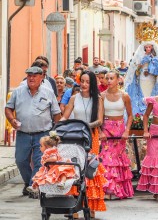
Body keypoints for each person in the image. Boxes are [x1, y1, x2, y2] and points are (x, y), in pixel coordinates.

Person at [5, 66, 61, 198]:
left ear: (41, 77)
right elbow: (8, 108)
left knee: (38, 161)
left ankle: (33, 186)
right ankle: (29, 182)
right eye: (29, 75)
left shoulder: (48, 92)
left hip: (42, 134)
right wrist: (12, 119)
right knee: (20, 160)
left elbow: (57, 114)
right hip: (23, 133)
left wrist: (54, 131)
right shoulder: (18, 92)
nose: (31, 78)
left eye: (35, 75)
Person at [61, 71, 107, 217]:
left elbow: (99, 120)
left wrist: (85, 125)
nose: (84, 84)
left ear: (92, 83)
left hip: (91, 136)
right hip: (75, 136)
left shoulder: (97, 99)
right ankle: (74, 206)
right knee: (75, 168)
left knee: (90, 169)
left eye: (87, 82)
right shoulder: (74, 98)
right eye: (82, 81)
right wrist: (58, 128)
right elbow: (65, 117)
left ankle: (91, 205)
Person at [99, 70, 134, 200]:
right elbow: (99, 115)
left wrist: (127, 130)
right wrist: (101, 130)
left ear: (118, 80)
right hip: (106, 128)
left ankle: (118, 189)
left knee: (118, 159)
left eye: (111, 78)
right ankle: (108, 189)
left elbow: (130, 115)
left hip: (120, 129)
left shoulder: (124, 96)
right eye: (107, 78)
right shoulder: (101, 96)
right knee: (107, 158)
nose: (108, 81)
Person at [125, 41, 158, 115]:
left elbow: (157, 70)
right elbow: (137, 69)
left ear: (152, 47)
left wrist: (150, 71)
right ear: (144, 48)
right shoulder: (141, 56)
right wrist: (140, 66)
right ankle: (142, 112)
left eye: (149, 47)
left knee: (150, 94)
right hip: (142, 78)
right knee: (142, 94)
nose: (148, 49)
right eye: (146, 47)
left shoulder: (154, 57)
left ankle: (150, 112)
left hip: (151, 79)